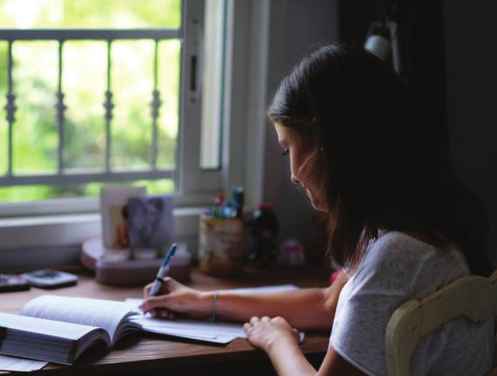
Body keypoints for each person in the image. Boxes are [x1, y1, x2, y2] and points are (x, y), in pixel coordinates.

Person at [141, 44, 494, 375]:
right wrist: (200, 301)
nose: (293, 175)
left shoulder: (396, 256)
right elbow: (328, 304)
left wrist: (276, 340)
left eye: (287, 149)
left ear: (328, 146)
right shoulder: (422, 226)